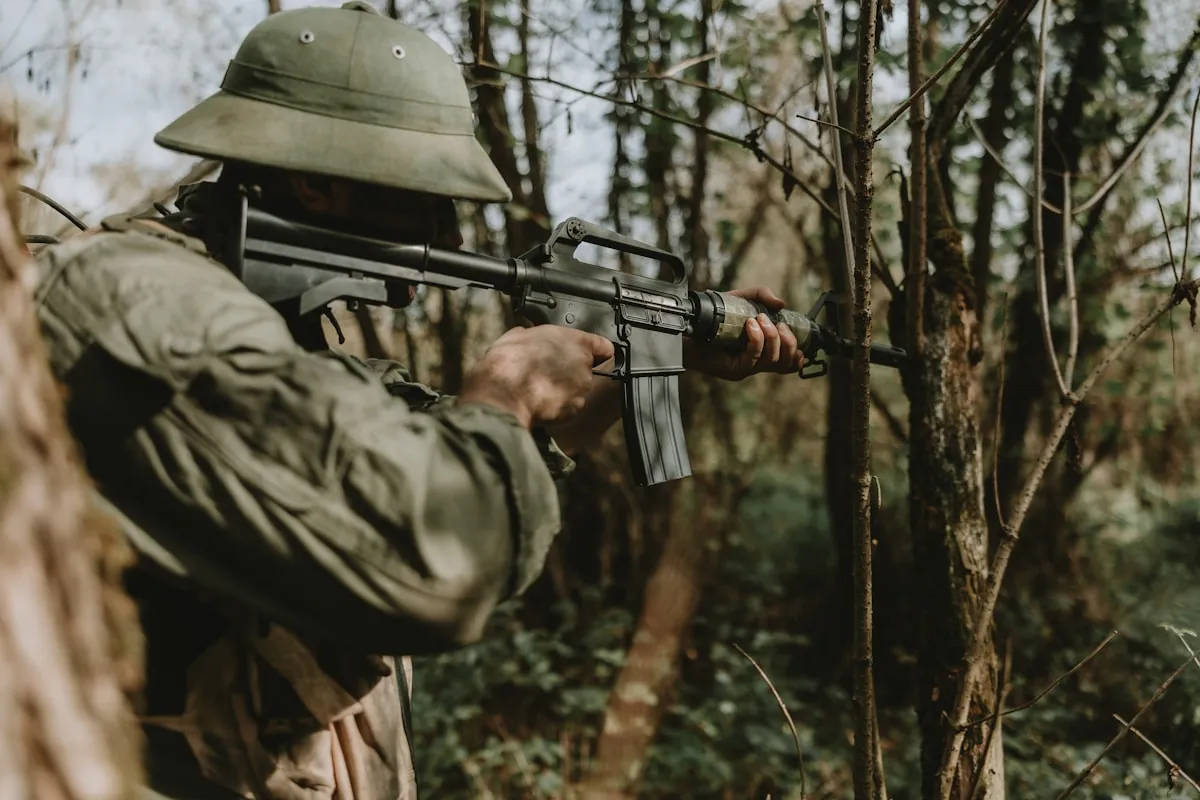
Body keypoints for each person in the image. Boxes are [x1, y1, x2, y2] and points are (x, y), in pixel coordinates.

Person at [32, 3, 804, 798]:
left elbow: (422, 450)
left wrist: (653, 352)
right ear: (317, 181)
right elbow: (432, 555)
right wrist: (505, 393)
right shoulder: (139, 303)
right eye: (422, 194)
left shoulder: (267, 327)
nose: (446, 223)